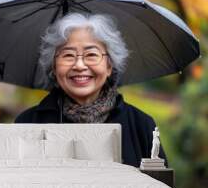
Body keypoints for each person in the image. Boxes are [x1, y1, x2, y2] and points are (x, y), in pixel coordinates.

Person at [15, 13, 167, 168]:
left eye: (91, 54)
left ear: (109, 66)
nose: (79, 65)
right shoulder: (27, 124)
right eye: (68, 55)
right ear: (54, 67)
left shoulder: (141, 125)